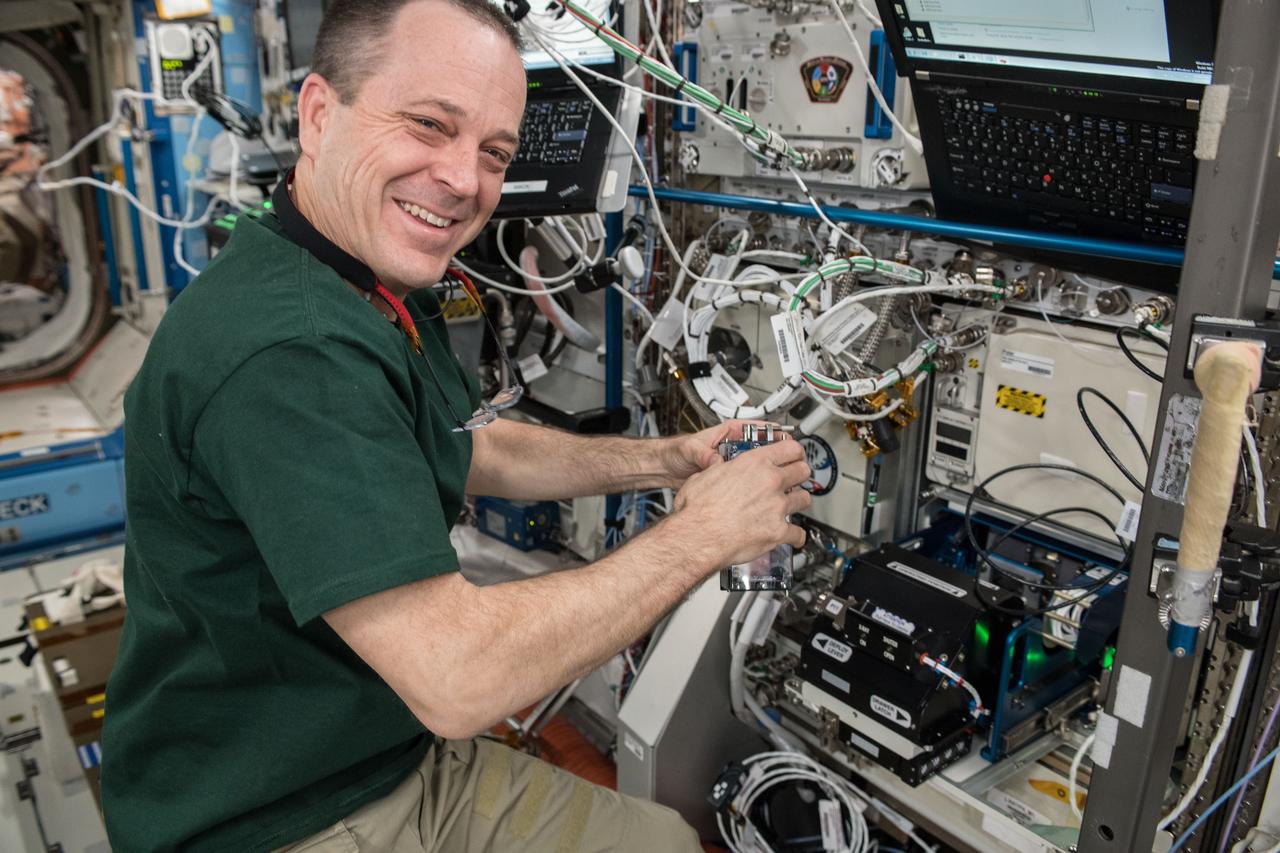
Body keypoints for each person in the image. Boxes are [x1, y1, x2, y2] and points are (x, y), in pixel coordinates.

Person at [100, 0, 810, 850]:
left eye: (494, 152)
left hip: (376, 752)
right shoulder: (288, 350)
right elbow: (460, 680)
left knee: (662, 841)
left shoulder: (358, 275)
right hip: (268, 816)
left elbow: (466, 445)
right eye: (429, 126)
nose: (464, 179)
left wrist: (668, 460)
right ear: (319, 113)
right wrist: (705, 534)